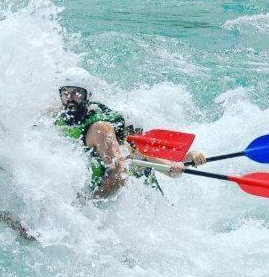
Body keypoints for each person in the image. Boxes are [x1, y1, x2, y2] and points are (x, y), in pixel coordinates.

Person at [54, 75, 206, 199]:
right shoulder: (119, 146)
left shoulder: (139, 152)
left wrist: (191, 156)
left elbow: (171, 167)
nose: (132, 134)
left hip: (150, 205)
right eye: (129, 130)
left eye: (135, 130)